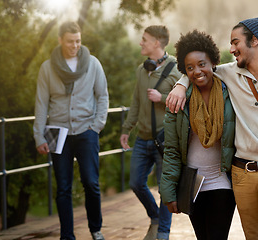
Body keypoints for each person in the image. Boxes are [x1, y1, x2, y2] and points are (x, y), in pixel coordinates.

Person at [166, 16, 258, 240]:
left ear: (254, 41)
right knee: (252, 236)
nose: (231, 49)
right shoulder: (228, 73)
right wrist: (180, 85)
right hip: (241, 174)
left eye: (236, 42)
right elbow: (199, 69)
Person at [33, 21, 109, 240]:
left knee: (91, 183)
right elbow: (41, 104)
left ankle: (96, 229)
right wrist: (39, 135)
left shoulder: (93, 64)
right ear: (60, 40)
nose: (74, 45)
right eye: (70, 41)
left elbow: (102, 96)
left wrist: (97, 126)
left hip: (87, 129)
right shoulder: (47, 67)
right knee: (63, 187)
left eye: (78, 41)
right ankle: (67, 235)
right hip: (56, 132)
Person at [160, 30, 236, 240]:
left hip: (222, 182)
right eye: (190, 68)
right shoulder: (178, 101)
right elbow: (172, 150)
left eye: (202, 64)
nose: (197, 71)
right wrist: (168, 192)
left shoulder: (230, 92)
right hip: (192, 184)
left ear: (212, 61)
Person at [119, 25, 181, 240]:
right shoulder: (141, 69)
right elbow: (135, 102)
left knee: (165, 190)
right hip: (142, 138)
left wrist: (161, 98)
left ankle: (162, 233)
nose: (140, 42)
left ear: (157, 42)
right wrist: (127, 128)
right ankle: (154, 217)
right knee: (136, 183)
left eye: (144, 39)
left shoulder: (176, 69)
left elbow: (185, 102)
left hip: (165, 140)